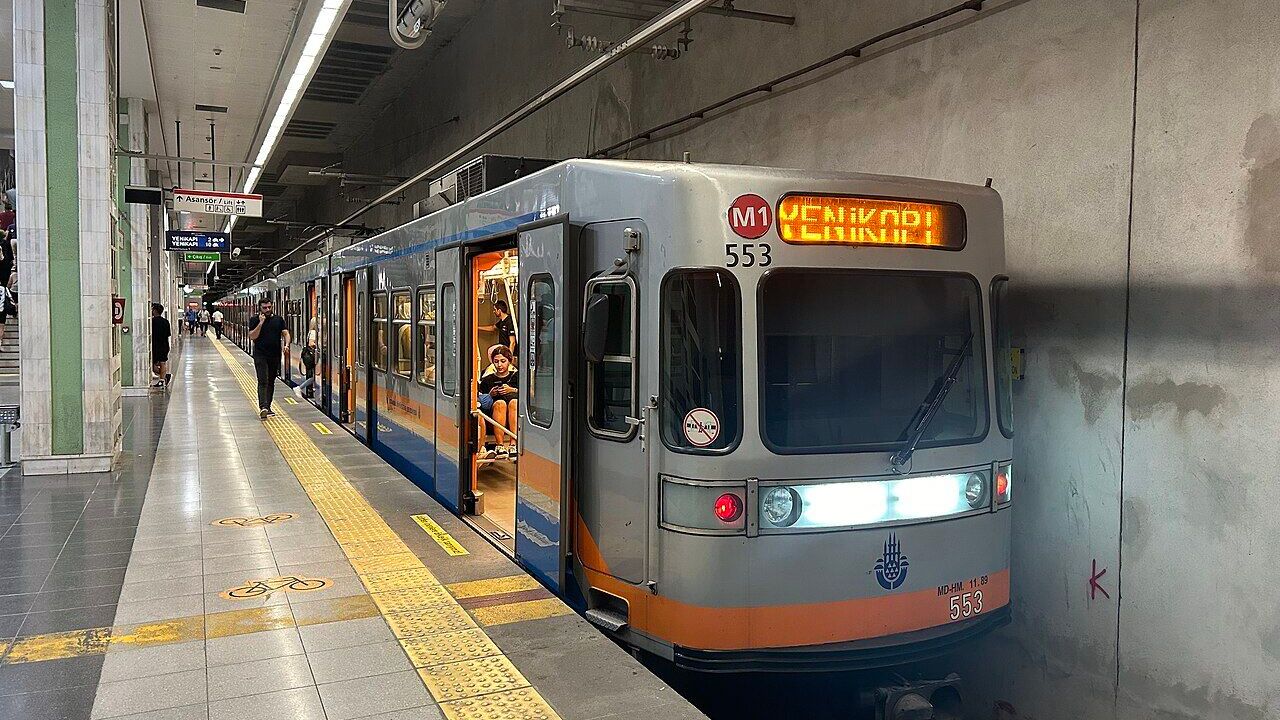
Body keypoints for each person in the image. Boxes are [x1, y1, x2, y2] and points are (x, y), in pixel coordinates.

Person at [247, 298, 289, 419]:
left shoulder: (278, 319)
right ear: (260, 308)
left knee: (271, 381)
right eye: (265, 308)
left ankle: (268, 407)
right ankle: (263, 407)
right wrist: (260, 323)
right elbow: (252, 336)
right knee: (262, 380)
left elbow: (285, 333)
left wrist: (286, 344)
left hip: (274, 355)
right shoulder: (254, 320)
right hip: (260, 355)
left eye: (269, 307)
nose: (267, 310)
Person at [477, 345, 518, 460]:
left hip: (514, 416)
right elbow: (480, 402)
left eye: (503, 361)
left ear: (509, 361)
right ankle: (499, 445)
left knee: (514, 402)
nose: (499, 365)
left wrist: (512, 390)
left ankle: (513, 444)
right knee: (500, 404)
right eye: (496, 362)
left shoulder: (517, 377)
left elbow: (529, 395)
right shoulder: (487, 380)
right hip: (493, 418)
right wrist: (490, 395)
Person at [150, 303, 172, 388]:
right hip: (164, 345)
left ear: (155, 311)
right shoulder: (166, 322)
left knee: (151, 364)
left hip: (154, 346)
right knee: (163, 363)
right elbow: (168, 334)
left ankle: (164, 377)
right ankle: (163, 379)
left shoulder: (151, 322)